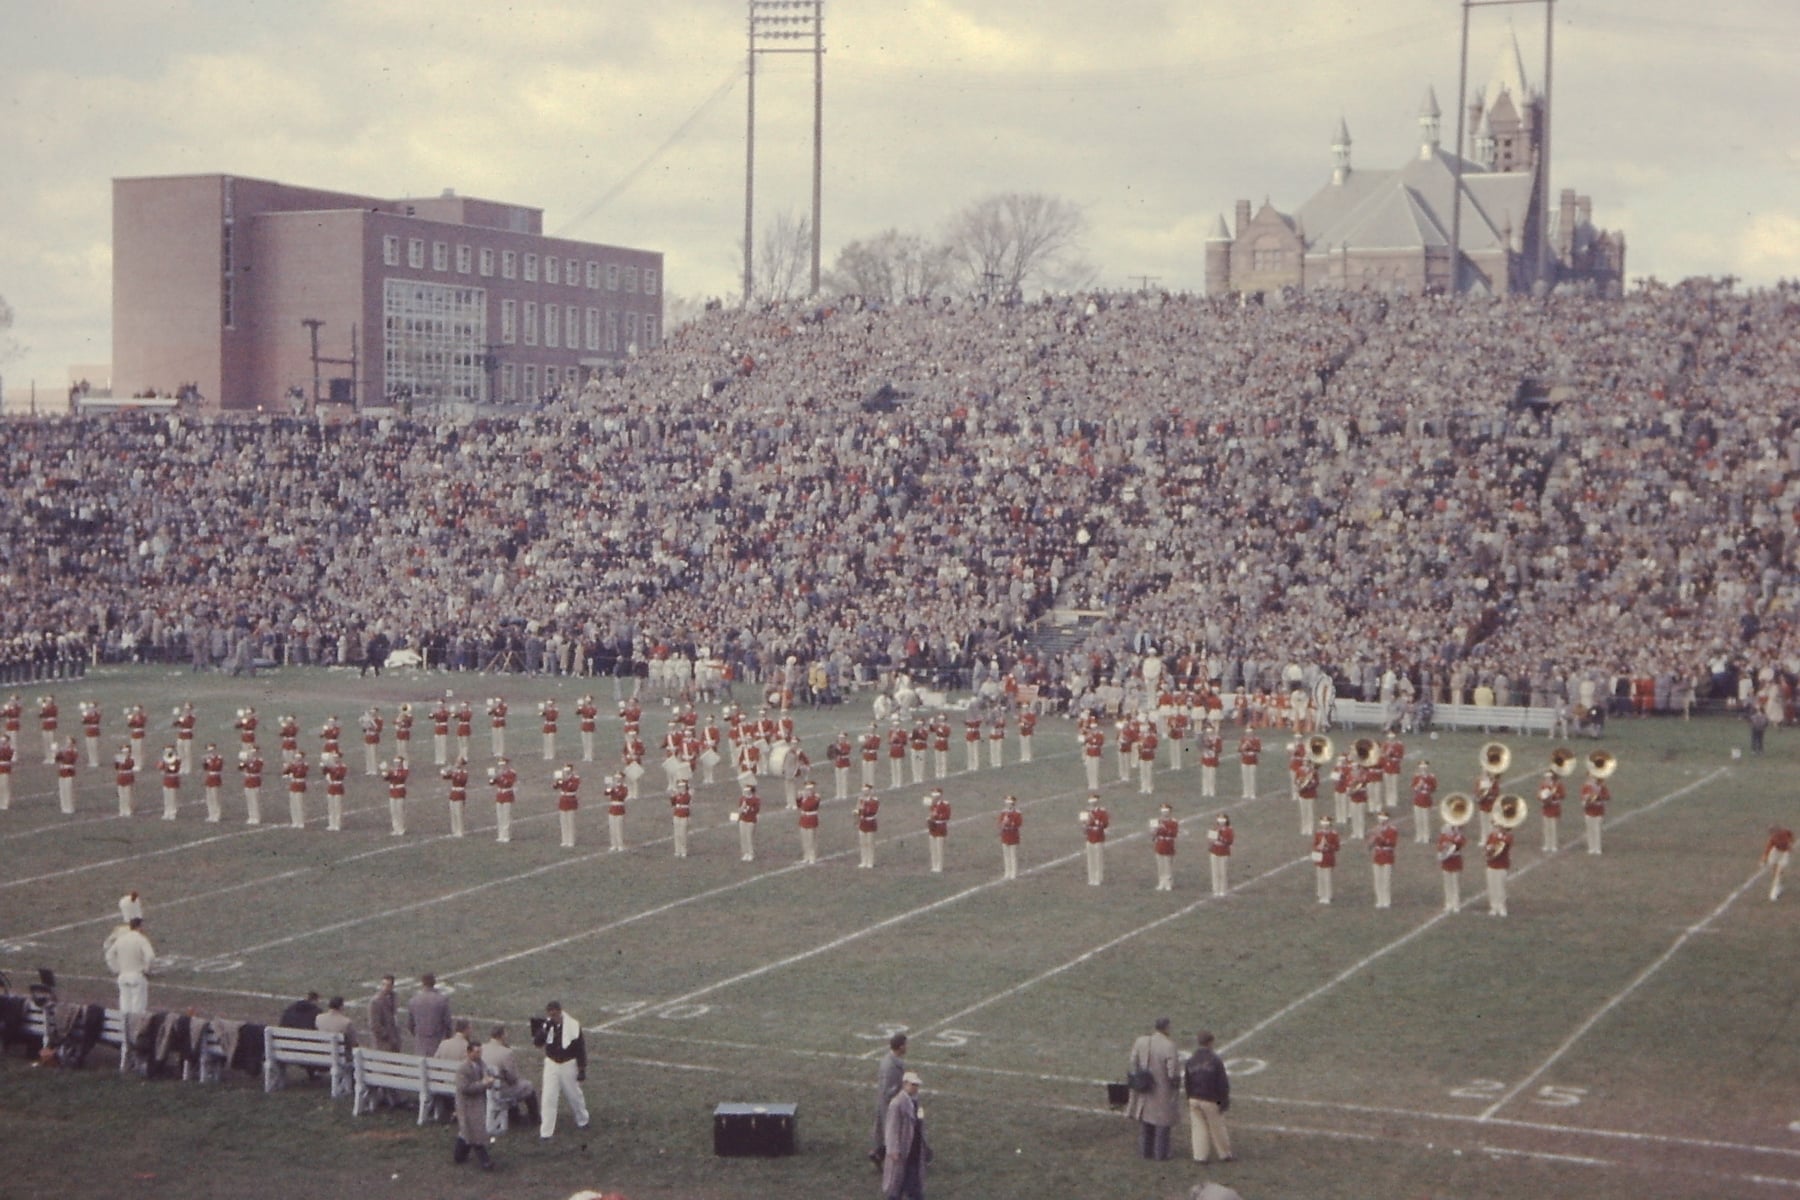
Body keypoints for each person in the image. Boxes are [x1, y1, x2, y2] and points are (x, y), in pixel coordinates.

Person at [1126, 1017, 1182, 1160]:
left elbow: (1133, 1061)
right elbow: (1172, 1072)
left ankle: (1146, 1151)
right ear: (1166, 1028)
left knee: (1146, 1120)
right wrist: (1176, 1086)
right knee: (1162, 1123)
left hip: (1144, 1087)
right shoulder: (1169, 1046)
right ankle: (1161, 1153)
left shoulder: (1141, 1041)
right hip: (1162, 1089)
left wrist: (1140, 1076)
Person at [533, 1000, 590, 1139]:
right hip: (551, 1064)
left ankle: (583, 1119)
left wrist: (581, 1069)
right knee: (548, 1097)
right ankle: (546, 1131)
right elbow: (537, 1043)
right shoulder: (546, 1025)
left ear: (560, 1012)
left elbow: (580, 1049)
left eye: (555, 1014)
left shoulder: (573, 1025)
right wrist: (544, 1030)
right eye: (551, 1015)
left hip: (568, 1064)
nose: (553, 1017)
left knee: (574, 1095)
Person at [1183, 1030, 1233, 1164]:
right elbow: (1222, 1083)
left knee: (1198, 1128)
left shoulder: (1190, 1060)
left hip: (1194, 1098)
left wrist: (1189, 1098)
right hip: (1210, 1099)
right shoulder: (1215, 1060)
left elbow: (1187, 1082)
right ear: (1210, 1042)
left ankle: (1200, 1156)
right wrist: (1224, 1101)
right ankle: (1224, 1154)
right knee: (1217, 1128)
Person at [881, 1070, 929, 1200]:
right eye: (913, 1085)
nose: (915, 1088)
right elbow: (891, 1128)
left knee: (902, 1187)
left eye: (916, 1085)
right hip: (903, 1151)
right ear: (905, 1084)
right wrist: (893, 1150)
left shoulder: (915, 1102)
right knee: (907, 1187)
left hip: (913, 1149)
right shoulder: (897, 1104)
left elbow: (919, 1125)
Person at [483, 1024, 540, 1126]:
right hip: (501, 1091)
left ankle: (513, 1114)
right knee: (528, 1086)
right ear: (502, 1035)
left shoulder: (482, 1048)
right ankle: (534, 1118)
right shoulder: (506, 1053)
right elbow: (513, 1078)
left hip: (485, 1089)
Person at [452, 1039, 496, 1169]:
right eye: (476, 1052)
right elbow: (465, 1088)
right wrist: (483, 1084)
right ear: (469, 1052)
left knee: (468, 1131)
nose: (479, 1054)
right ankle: (485, 1161)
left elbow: (485, 1077)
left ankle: (459, 1155)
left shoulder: (481, 1064)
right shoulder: (463, 1069)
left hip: (477, 1102)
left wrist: (489, 1081)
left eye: (480, 1052)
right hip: (466, 1104)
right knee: (475, 1131)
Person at [870, 1032, 907, 1166]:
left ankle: (879, 1152)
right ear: (901, 1047)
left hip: (887, 1102)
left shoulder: (889, 1060)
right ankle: (880, 1154)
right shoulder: (891, 1065)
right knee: (892, 1130)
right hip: (890, 1104)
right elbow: (888, 1090)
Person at [104, 916, 155, 1014]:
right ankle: (135, 1028)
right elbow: (150, 956)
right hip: (137, 975)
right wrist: (146, 969)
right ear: (139, 927)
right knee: (138, 1008)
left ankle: (124, 1027)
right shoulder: (141, 939)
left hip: (123, 976)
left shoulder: (121, 939)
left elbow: (109, 955)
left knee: (124, 1006)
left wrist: (116, 969)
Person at [408, 973, 453, 1057]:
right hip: (438, 1042)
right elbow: (448, 1024)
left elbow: (410, 1025)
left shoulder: (414, 1000)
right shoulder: (442, 1000)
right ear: (434, 983)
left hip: (420, 1043)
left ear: (422, 983)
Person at [1369, 810, 1398, 909]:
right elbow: (1370, 846)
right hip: (1377, 855)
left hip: (1387, 855)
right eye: (1380, 818)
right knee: (1377, 880)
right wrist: (1372, 838)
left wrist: (1379, 836)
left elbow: (1391, 843)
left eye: (1383, 818)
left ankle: (1386, 900)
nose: (1381, 820)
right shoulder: (1376, 829)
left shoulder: (1392, 829)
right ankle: (1379, 900)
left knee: (1386, 879)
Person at [1438, 817, 1467, 913]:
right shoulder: (1444, 836)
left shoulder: (1459, 836)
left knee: (1455, 884)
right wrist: (1444, 847)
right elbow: (1439, 847)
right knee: (1447, 884)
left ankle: (1456, 904)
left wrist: (1454, 839)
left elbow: (1461, 844)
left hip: (1455, 861)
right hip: (1446, 861)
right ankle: (1448, 903)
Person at [1484, 823, 1513, 917]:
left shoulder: (1507, 837)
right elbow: (1487, 848)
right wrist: (1490, 847)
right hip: (1491, 865)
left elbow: (1506, 844)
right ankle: (1493, 907)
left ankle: (1501, 907)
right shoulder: (1491, 836)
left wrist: (1498, 838)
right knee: (1492, 887)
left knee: (1501, 887)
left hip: (1501, 865)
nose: (1496, 829)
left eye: (1498, 827)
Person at [1081, 793, 1109, 886]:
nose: (1092, 804)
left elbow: (1105, 824)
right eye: (1091, 803)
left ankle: (1098, 878)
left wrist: (1095, 822)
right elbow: (1083, 827)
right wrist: (1085, 826)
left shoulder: (1102, 812)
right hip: (1089, 837)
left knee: (1098, 859)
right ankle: (1091, 878)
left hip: (1098, 838)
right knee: (1090, 860)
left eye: (1094, 802)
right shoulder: (1087, 812)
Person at [369, 975, 402, 1052]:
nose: (385, 988)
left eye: (388, 985)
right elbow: (374, 1024)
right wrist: (387, 1035)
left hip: (395, 1041)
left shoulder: (393, 997)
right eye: (383, 985)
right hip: (383, 1043)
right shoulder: (376, 1001)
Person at [1312, 817, 1339, 904]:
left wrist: (1328, 846)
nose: (1324, 825)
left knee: (1327, 877)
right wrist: (1318, 847)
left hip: (1328, 857)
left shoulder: (1333, 834)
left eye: (1326, 823)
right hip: (1319, 856)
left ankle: (1327, 895)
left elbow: (1337, 847)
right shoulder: (1318, 833)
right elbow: (1314, 844)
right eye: (1323, 823)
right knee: (1320, 877)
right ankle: (1321, 893)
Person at [1153, 803, 1179, 891]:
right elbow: (1152, 834)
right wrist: (1155, 830)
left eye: (1166, 811)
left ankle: (1168, 883)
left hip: (1168, 843)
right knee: (1160, 865)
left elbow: (1173, 833)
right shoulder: (1156, 821)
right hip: (1159, 843)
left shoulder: (1173, 821)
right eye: (1163, 811)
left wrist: (1163, 828)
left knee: (1167, 864)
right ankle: (1161, 882)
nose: (1164, 813)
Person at [1764, 825, 1793, 901]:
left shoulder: (1785, 832)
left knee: (1779, 871)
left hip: (1784, 853)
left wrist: (1791, 843)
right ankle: (1778, 884)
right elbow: (1768, 848)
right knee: (1774, 869)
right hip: (1776, 852)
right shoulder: (1772, 840)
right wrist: (1764, 858)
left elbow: (1790, 835)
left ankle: (1774, 890)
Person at [997, 794, 1023, 881]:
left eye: (1010, 803)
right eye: (1007, 803)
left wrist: (1011, 823)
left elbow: (1018, 823)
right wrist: (1003, 823)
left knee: (1013, 855)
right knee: (1006, 855)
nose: (1008, 805)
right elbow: (999, 822)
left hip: (1013, 835)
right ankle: (1007, 872)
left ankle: (1014, 872)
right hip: (1005, 835)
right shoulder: (1003, 812)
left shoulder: (1017, 813)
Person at [925, 787, 950, 874]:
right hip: (933, 826)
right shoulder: (933, 805)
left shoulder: (945, 804)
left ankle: (939, 865)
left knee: (939, 847)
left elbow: (947, 816)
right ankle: (934, 864)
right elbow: (931, 813)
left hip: (940, 826)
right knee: (933, 847)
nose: (935, 797)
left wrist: (937, 816)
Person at [1207, 814, 1233, 897]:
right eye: (1219, 820)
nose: (1221, 822)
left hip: (1224, 852)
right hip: (1214, 851)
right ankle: (1216, 889)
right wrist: (1214, 837)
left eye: (1223, 820)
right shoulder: (1214, 828)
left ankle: (1223, 889)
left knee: (1223, 872)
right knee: (1215, 871)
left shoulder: (1229, 830)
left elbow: (1229, 841)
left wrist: (1220, 838)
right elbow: (1210, 840)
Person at [735, 784, 761, 861]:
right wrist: (742, 807)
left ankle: (751, 853)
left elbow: (756, 811)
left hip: (751, 820)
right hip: (743, 819)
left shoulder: (756, 800)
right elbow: (739, 811)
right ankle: (745, 853)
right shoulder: (742, 799)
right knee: (743, 837)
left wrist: (747, 806)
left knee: (748, 837)